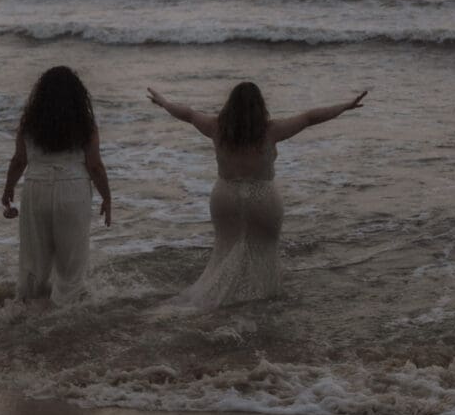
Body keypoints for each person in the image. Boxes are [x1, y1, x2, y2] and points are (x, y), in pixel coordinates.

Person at [147, 82, 365, 308]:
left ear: (230, 105)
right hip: (262, 199)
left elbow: (188, 114)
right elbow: (310, 118)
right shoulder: (271, 131)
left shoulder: (216, 128)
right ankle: (256, 300)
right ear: (260, 106)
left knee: (226, 250)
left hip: (225, 198)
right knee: (262, 254)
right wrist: (345, 106)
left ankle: (218, 297)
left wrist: (163, 102)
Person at [2, 66, 111, 303]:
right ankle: (64, 319)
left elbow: (19, 160)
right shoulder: (85, 125)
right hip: (73, 190)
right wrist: (107, 198)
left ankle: (27, 308)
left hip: (36, 189)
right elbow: (95, 166)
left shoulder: (28, 124)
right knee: (72, 266)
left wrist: (8, 188)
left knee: (34, 260)